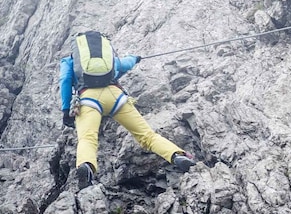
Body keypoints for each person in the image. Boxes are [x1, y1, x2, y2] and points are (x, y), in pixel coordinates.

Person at [59, 30, 196, 189]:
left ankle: (86, 166)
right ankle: (177, 155)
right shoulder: (107, 59)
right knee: (147, 136)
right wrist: (135, 58)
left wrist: (66, 109)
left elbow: (65, 80)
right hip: (116, 97)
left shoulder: (69, 61)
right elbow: (124, 64)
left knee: (87, 138)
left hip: (88, 99)